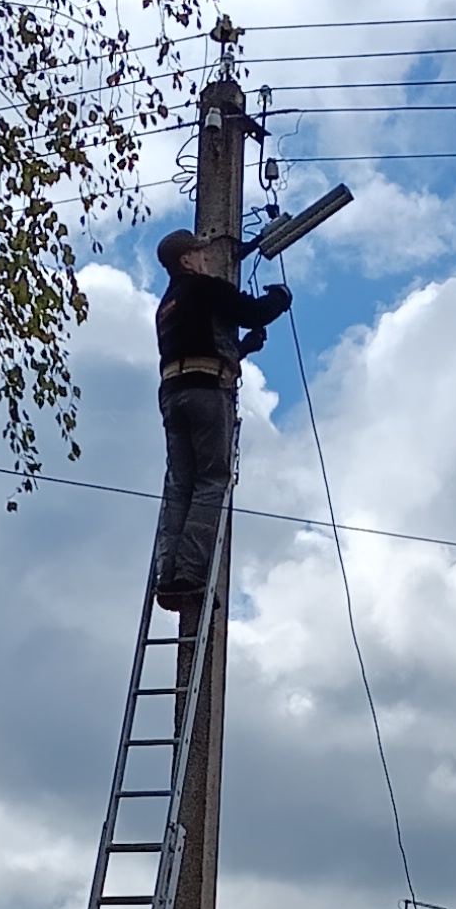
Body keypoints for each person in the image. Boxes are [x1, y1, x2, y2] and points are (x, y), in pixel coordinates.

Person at [148, 226, 287, 618]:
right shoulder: (202, 287)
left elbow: (198, 344)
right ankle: (190, 574)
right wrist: (280, 297)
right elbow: (252, 311)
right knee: (213, 480)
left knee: (181, 485)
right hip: (206, 394)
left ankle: (168, 573)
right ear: (186, 260)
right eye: (200, 254)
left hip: (173, 394)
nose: (207, 259)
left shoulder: (167, 305)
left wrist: (240, 350)